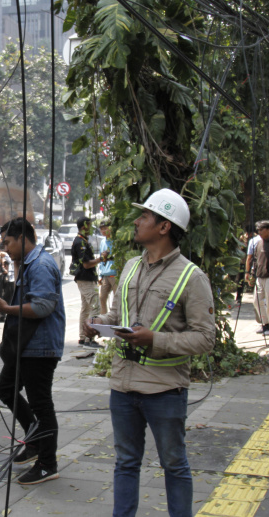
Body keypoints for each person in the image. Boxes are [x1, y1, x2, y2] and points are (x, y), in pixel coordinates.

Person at [83, 189, 216, 517]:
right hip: (123, 386)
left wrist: (155, 340)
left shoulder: (191, 277)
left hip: (164, 389)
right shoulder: (129, 266)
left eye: (145, 216)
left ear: (164, 227)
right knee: (125, 463)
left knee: (174, 464)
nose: (137, 221)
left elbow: (204, 338)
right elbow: (118, 317)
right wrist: (99, 323)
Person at [0, 217, 65, 485]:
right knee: (6, 388)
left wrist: (7, 310)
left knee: (41, 404)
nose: (5, 248)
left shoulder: (41, 265)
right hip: (25, 347)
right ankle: (34, 441)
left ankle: (48, 464)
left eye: (8, 242)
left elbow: (43, 307)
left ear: (23, 238)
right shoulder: (26, 263)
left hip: (40, 348)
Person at [71, 217, 102, 348]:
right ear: (84, 226)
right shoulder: (80, 243)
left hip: (86, 279)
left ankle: (83, 337)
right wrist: (102, 259)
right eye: (89, 225)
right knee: (96, 307)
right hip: (85, 279)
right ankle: (90, 339)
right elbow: (86, 264)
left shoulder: (82, 241)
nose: (91, 228)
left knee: (86, 308)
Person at [98, 220, 118, 314]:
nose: (103, 231)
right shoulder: (102, 242)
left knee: (117, 299)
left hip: (115, 274)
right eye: (102, 229)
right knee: (102, 298)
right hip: (105, 274)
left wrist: (109, 255)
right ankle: (104, 318)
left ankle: (117, 319)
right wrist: (100, 275)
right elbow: (101, 260)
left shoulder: (116, 241)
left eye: (105, 228)